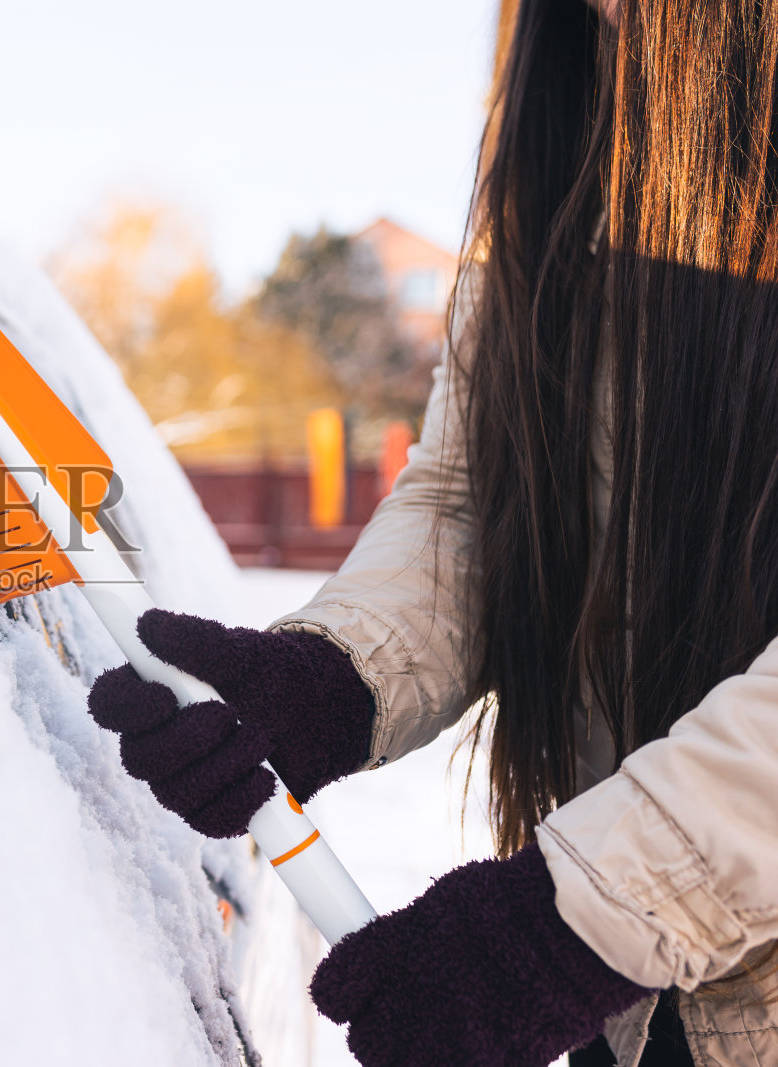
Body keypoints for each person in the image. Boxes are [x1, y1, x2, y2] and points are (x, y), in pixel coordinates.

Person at [86, 0, 778, 1064]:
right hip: (638, 1000)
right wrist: (332, 678)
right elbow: (472, 493)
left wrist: (580, 918)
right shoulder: (569, 124)